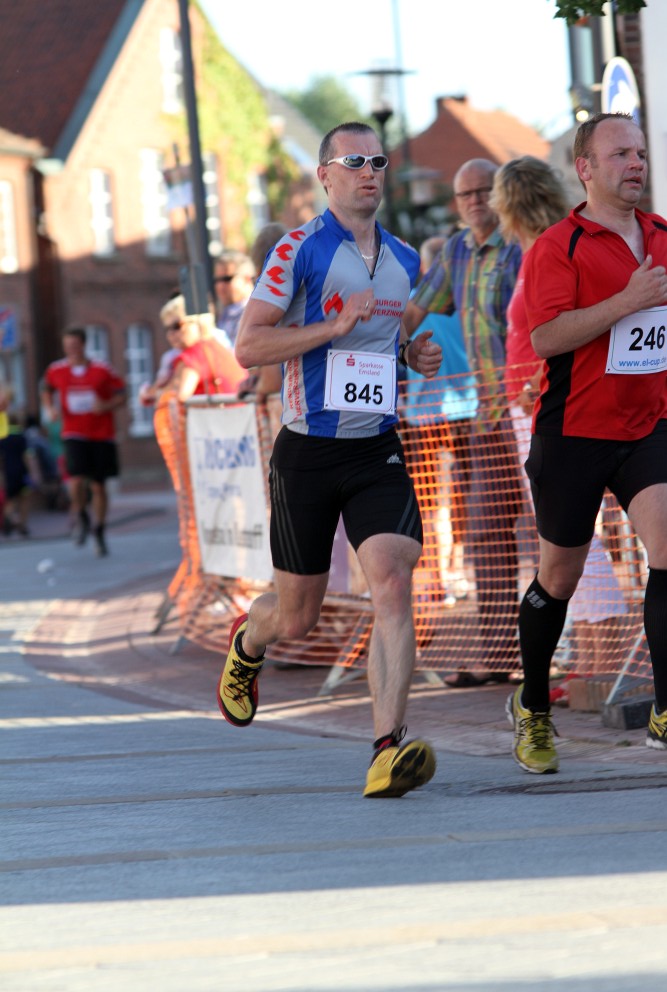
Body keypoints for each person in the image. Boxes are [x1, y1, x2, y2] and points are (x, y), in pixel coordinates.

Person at [216, 121, 442, 798]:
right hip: (307, 453)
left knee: (392, 581)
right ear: (325, 176)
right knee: (297, 617)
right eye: (354, 161)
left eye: (378, 161)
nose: (369, 171)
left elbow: (390, 337)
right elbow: (249, 347)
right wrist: (332, 328)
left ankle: (386, 750)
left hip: (376, 448)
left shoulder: (403, 258)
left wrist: (413, 355)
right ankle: (248, 643)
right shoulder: (299, 250)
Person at [507, 112, 667, 773]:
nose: (635, 164)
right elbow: (545, 338)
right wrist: (626, 302)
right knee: (559, 577)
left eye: (640, 153)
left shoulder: (662, 235)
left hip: (648, 426)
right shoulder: (559, 246)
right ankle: (533, 707)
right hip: (573, 432)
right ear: (586, 168)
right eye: (620, 154)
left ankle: (665, 710)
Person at [490, 156, 628, 680]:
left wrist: (533, 382)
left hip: (546, 404)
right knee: (566, 542)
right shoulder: (545, 246)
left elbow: (562, 326)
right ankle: (589, 660)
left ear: (507, 203)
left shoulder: (550, 249)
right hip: (533, 402)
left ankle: (600, 661)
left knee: (570, 541)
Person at [404, 159, 522, 688]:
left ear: (500, 194)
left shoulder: (521, 244)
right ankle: (499, 655)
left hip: (536, 409)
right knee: (484, 532)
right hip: (488, 415)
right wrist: (390, 349)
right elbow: (414, 311)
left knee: (567, 535)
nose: (474, 201)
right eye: (464, 194)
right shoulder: (455, 252)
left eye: (482, 191)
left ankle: (585, 651)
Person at [400, 234, 477, 607]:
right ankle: (454, 569)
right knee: (462, 493)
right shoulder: (469, 300)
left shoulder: (414, 303)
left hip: (428, 414)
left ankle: (439, 577)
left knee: (434, 499)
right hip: (468, 408)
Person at [41, 327, 126, 557]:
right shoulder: (56, 370)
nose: (72, 350)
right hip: (73, 432)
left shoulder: (102, 369)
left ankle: (99, 529)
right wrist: (49, 408)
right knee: (76, 480)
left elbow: (122, 394)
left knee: (98, 485)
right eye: (68, 346)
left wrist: (106, 405)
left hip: (101, 433)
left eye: (75, 346)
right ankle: (81, 515)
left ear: (83, 345)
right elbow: (46, 388)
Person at [159, 295, 246, 402]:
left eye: (177, 326)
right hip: (237, 410)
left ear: (197, 322)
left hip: (219, 411)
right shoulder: (215, 345)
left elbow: (178, 395)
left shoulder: (195, 353)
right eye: (167, 329)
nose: (170, 334)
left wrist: (158, 395)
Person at [213, 250, 256, 347]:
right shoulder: (225, 312)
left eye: (227, 279)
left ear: (247, 279)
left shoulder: (257, 312)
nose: (220, 286)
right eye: (217, 280)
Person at [0, 413, 31, 536]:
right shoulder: (22, 437)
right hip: (22, 472)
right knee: (24, 498)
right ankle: (23, 524)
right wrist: (32, 472)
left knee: (10, 499)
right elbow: (26, 456)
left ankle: (7, 519)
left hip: (9, 472)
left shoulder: (3, 439)